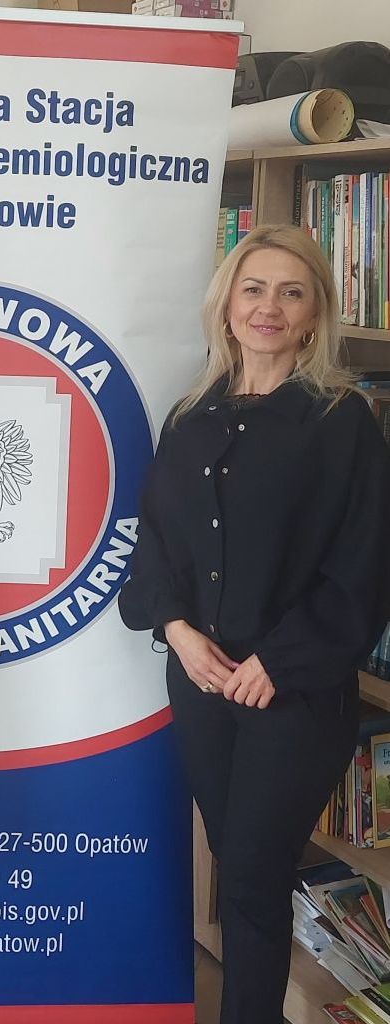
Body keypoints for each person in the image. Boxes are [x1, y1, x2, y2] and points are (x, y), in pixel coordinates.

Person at [118, 224, 390, 1024]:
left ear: (313, 317)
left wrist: (278, 661)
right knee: (235, 864)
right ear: (227, 306)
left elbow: (365, 564)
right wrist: (174, 629)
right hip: (200, 684)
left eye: (290, 292)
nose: (268, 306)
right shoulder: (188, 415)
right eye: (253, 288)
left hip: (291, 693)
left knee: (250, 877)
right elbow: (154, 544)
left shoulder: (341, 420)